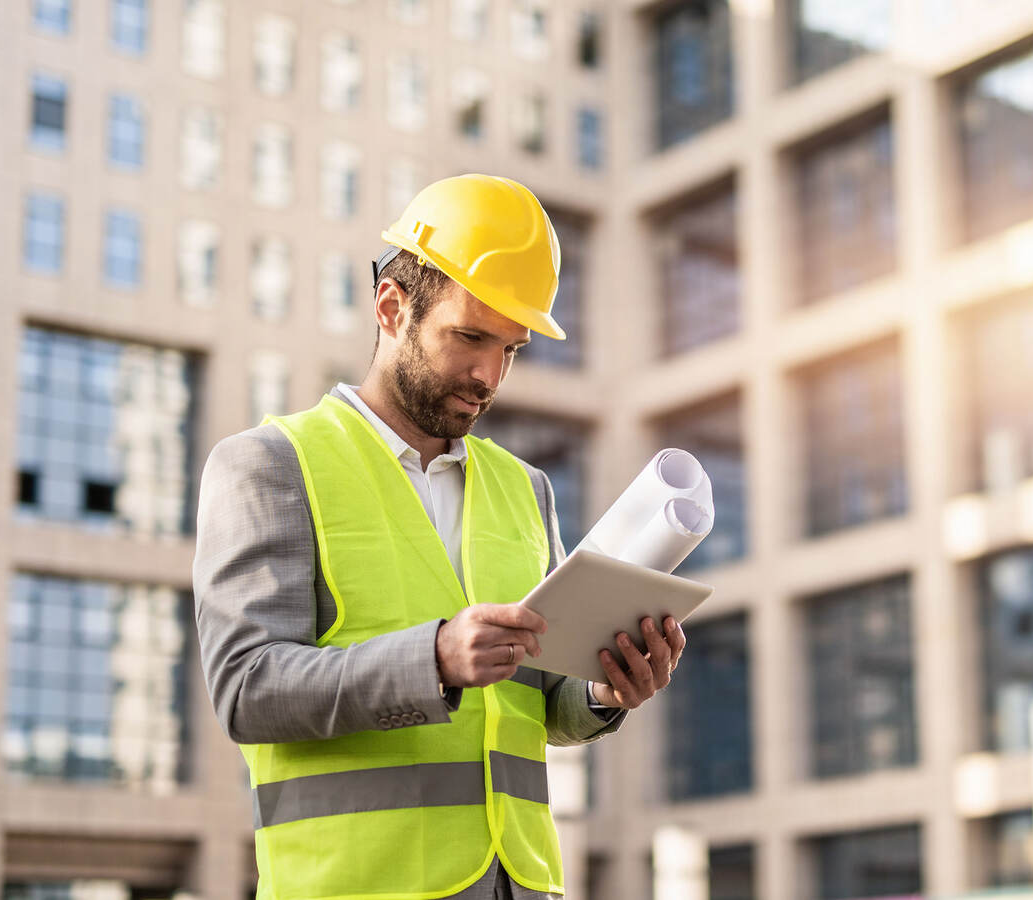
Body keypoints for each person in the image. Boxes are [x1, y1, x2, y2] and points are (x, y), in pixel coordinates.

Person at [193, 174, 686, 900]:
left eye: (512, 349)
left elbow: (542, 707)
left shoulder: (526, 489)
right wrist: (433, 659)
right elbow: (248, 689)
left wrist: (606, 688)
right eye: (469, 336)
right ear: (392, 308)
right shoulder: (270, 468)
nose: (489, 375)